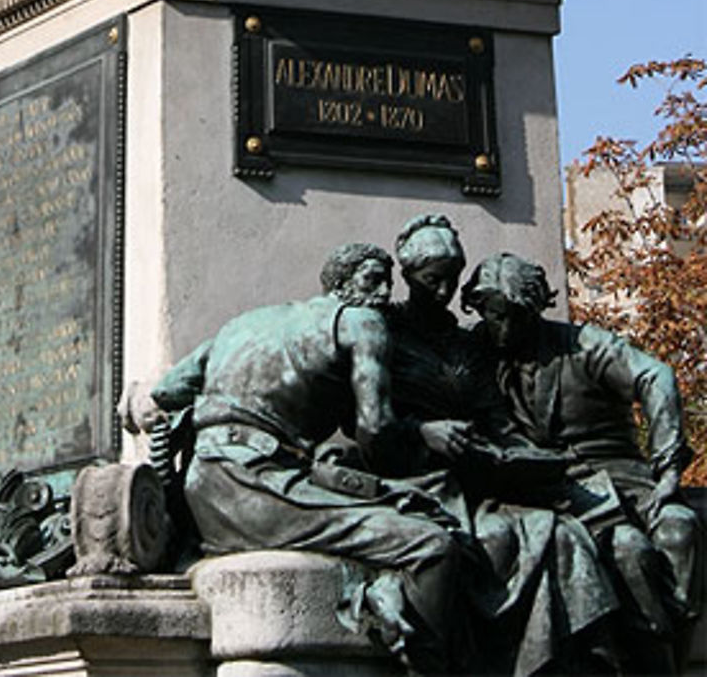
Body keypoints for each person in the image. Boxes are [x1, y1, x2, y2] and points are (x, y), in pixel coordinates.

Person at [121, 242, 467, 674]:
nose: (382, 293)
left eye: (387, 282)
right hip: (262, 491)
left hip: (205, 494)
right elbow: (376, 432)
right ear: (342, 284)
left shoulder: (242, 325)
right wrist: (423, 433)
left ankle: (385, 595)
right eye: (371, 279)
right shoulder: (362, 322)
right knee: (432, 546)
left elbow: (168, 391)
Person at [386, 215, 620, 676]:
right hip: (416, 479)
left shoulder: (466, 346)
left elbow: (495, 419)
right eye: (432, 280)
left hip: (476, 476)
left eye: (451, 281)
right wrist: (421, 432)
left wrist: (526, 456)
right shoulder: (382, 332)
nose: (442, 292)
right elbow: (365, 424)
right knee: (495, 540)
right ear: (408, 275)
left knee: (561, 534)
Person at [463, 251, 704, 674]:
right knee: (630, 552)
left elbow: (656, 376)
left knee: (681, 531)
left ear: (535, 308)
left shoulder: (582, 343)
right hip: (553, 489)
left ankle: (675, 654)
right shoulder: (473, 353)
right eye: (492, 315)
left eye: (513, 317)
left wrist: (667, 469)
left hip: (622, 477)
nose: (502, 328)